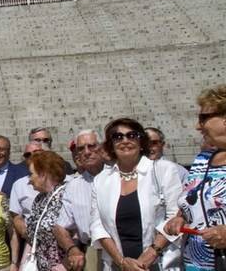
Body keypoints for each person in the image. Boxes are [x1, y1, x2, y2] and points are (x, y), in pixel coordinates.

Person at [90, 118, 183, 271]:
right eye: (117, 137)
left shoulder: (164, 170)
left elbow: (174, 217)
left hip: (159, 263)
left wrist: (148, 257)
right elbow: (97, 227)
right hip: (118, 266)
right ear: (111, 146)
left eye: (132, 135)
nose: (125, 140)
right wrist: (122, 262)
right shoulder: (101, 180)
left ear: (141, 143)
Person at [164, 85, 226, 270]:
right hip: (196, 263)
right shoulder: (202, 160)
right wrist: (180, 217)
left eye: (204, 118)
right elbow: (191, 202)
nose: (198, 126)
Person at [53, 129, 105, 271]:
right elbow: (59, 226)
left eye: (92, 146)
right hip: (93, 251)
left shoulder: (118, 175)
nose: (87, 152)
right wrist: (72, 249)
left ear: (102, 148)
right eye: (81, 148)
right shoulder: (73, 186)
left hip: (124, 247)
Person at [23, 151, 68, 271]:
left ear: (43, 174)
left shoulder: (66, 195)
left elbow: (78, 234)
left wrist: (65, 264)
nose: (29, 180)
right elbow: (34, 237)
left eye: (31, 174)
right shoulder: (39, 199)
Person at [10, 142, 44, 242]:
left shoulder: (65, 180)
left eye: (37, 152)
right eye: (27, 155)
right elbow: (16, 217)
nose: (32, 156)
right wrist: (30, 236)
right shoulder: (19, 184)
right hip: (32, 241)